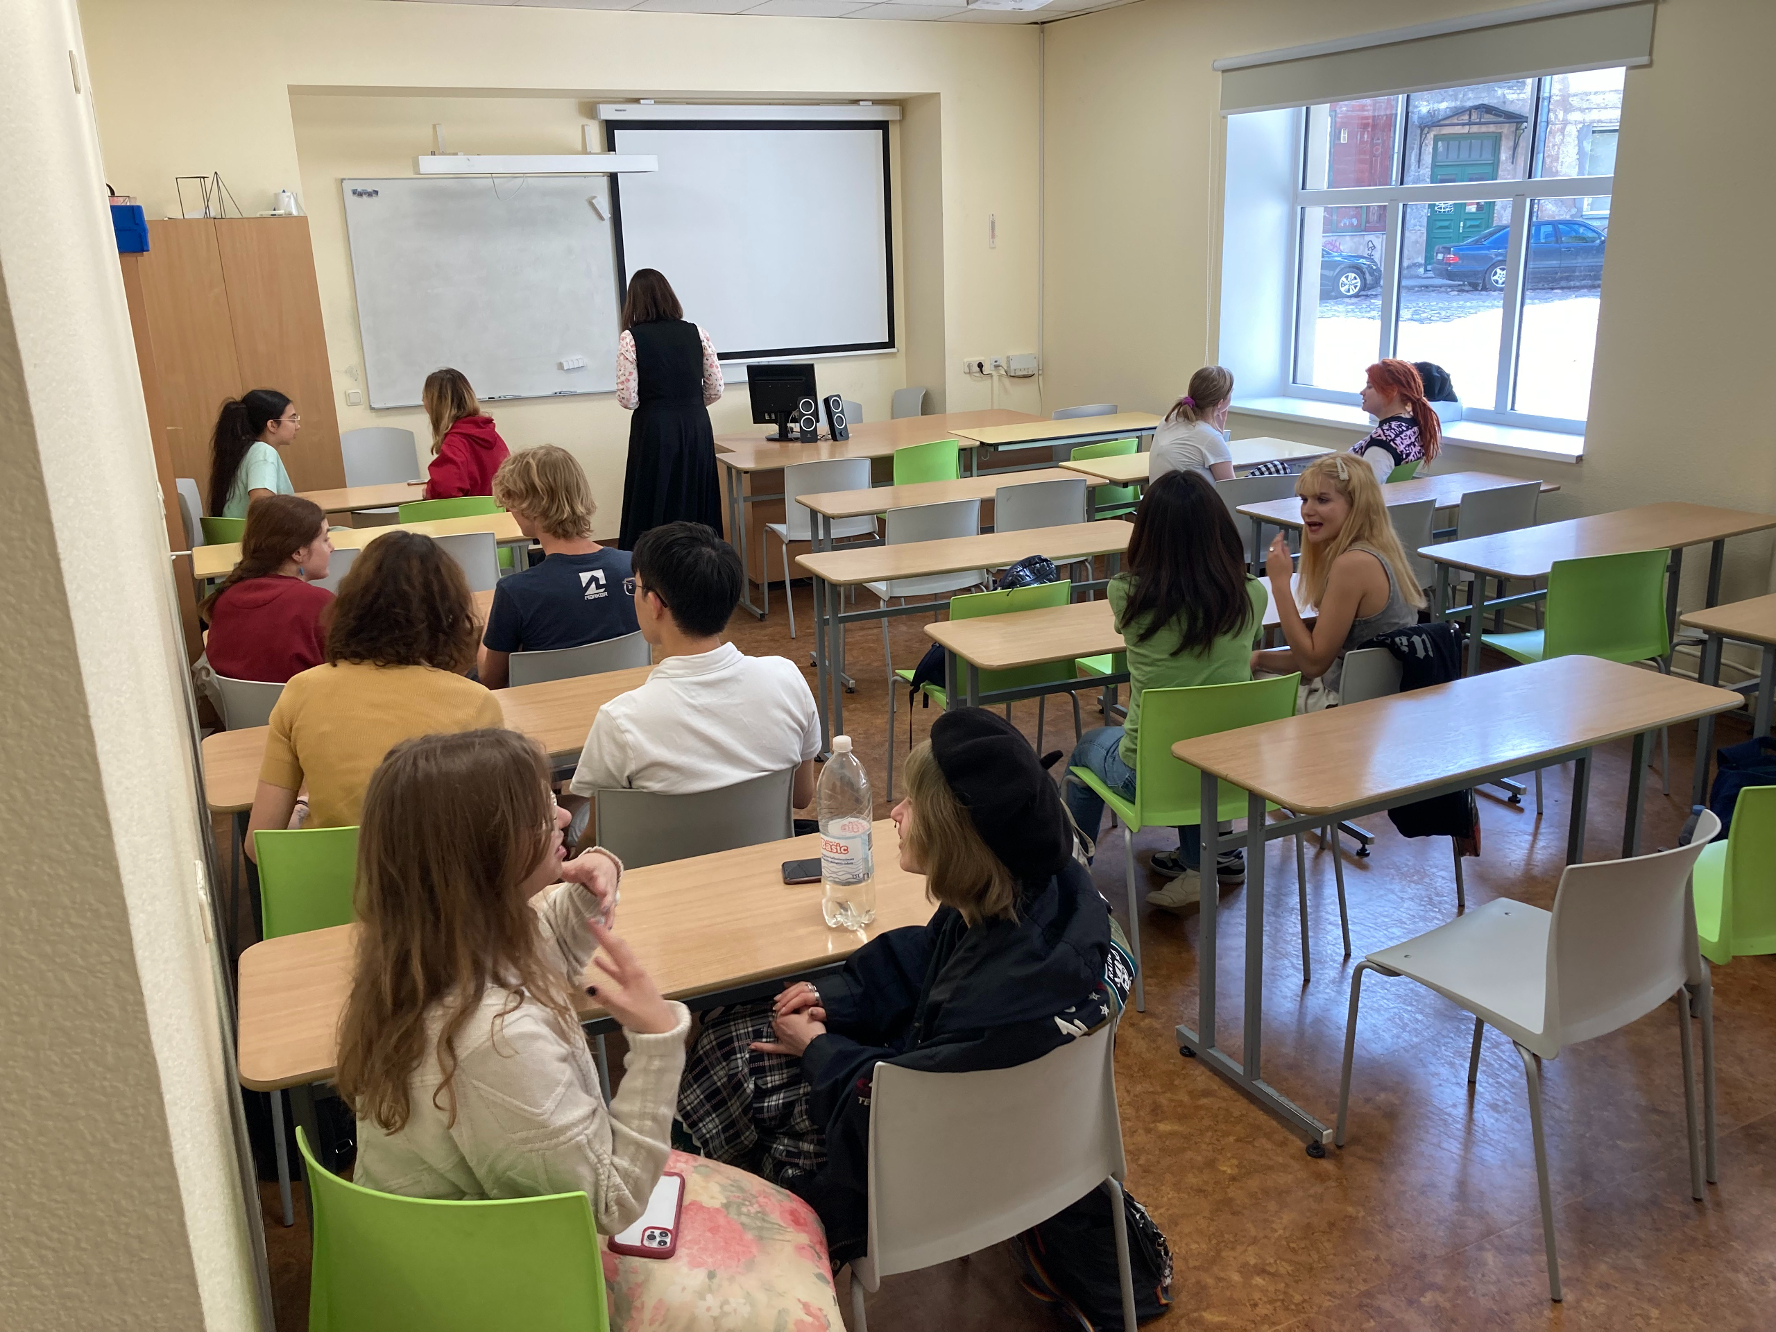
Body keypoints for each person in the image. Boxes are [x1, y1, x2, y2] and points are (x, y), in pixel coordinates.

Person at [339, 731, 845, 1330]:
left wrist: (595, 872)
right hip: (483, 1287)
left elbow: (544, 935)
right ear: (488, 852)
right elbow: (613, 1201)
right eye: (540, 813)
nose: (563, 816)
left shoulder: (433, 950)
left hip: (450, 1249)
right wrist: (657, 1039)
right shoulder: (497, 1040)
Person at [676, 708, 1120, 1266]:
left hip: (929, 1170)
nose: (895, 813)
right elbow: (926, 959)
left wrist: (818, 1049)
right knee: (742, 1026)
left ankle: (708, 1223)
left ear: (955, 839)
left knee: (734, 1053)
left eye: (913, 806)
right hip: (1022, 1135)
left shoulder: (996, 999)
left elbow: (900, 1107)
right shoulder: (1034, 889)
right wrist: (835, 998)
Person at [1062, 470, 1268, 910]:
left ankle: (1070, 881)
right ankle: (1199, 867)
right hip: (1231, 771)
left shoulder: (1127, 595)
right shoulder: (1252, 595)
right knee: (1198, 736)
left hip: (1151, 774)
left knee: (1085, 753)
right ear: (1221, 531)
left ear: (1147, 535)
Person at [245, 530, 502, 857]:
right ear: (448, 616)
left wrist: (303, 807)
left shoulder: (301, 690)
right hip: (435, 884)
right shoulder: (476, 703)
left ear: (351, 605)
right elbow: (491, 838)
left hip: (329, 885)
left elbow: (258, 846)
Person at [567, 521, 818, 810]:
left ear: (655, 604)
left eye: (634, 587)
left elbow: (600, 829)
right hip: (765, 840)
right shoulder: (787, 679)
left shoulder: (620, 720)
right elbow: (801, 797)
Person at [1253, 452, 1423, 706]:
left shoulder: (1352, 565)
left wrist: (1279, 584)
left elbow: (1313, 663)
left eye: (1322, 500)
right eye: (1304, 499)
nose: (1308, 510)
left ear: (1356, 506)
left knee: (1235, 689)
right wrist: (1259, 658)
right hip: (1378, 702)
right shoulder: (1380, 551)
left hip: (1346, 706)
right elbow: (1320, 656)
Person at [478, 446, 639, 690]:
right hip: (622, 696)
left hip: (543, 705)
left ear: (527, 507)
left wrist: (489, 622)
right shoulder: (634, 566)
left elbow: (491, 679)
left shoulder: (515, 591)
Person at [614, 269, 723, 549]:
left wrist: (659, 405)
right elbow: (715, 388)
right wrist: (688, 404)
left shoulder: (631, 338)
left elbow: (628, 398)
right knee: (696, 496)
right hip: (695, 424)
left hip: (655, 427)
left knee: (655, 497)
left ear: (634, 301)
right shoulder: (697, 332)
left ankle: (654, 560)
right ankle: (701, 560)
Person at [201, 494, 334, 684]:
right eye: (325, 539)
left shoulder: (226, 598)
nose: (332, 547)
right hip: (306, 703)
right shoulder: (319, 603)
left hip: (242, 705)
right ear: (298, 552)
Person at [209, 389, 298, 519]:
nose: (297, 426)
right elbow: (262, 508)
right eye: (292, 419)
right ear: (272, 425)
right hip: (256, 531)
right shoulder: (263, 452)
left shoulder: (242, 451)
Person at [1350, 358, 1442, 485]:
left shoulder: (1383, 442)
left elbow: (1366, 490)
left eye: (1370, 387)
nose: (1362, 392)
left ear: (1391, 392)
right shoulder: (1413, 427)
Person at [422, 367, 509, 499]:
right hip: (500, 510)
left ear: (434, 405)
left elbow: (446, 491)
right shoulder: (491, 434)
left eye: (424, 398)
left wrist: (429, 492)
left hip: (475, 512)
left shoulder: (455, 443)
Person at [1149, 365, 1237, 483]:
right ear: (1220, 403)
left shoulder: (1169, 419)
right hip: (1189, 495)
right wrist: (1219, 432)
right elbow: (1231, 488)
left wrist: (1218, 430)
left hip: (1159, 494)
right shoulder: (1210, 437)